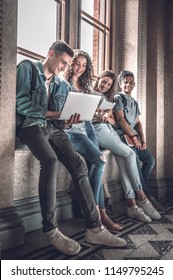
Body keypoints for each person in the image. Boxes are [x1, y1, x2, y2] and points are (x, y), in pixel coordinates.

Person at [16, 41, 126, 256]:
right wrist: (56, 115)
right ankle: (51, 229)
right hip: (30, 126)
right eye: (63, 62)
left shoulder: (60, 84)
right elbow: (20, 102)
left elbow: (59, 115)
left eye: (66, 65)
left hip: (54, 128)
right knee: (50, 161)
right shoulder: (28, 67)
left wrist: (66, 120)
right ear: (51, 54)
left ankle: (94, 228)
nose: (64, 68)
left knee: (79, 164)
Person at [61, 49, 122, 232]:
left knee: (97, 168)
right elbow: (62, 111)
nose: (80, 68)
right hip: (73, 130)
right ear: (71, 64)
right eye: (77, 63)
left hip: (88, 127)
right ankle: (95, 212)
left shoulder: (86, 86)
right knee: (99, 160)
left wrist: (99, 113)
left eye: (84, 65)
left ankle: (102, 213)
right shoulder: (63, 84)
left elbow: (90, 109)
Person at [92, 70, 161, 222]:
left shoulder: (107, 98)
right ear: (98, 79)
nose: (105, 86)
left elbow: (112, 121)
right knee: (130, 155)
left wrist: (105, 117)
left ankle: (132, 206)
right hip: (100, 132)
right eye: (103, 82)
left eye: (109, 84)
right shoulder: (91, 93)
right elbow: (116, 121)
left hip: (110, 132)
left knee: (125, 162)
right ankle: (143, 197)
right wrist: (99, 116)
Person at [113, 70, 165, 214]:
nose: (129, 85)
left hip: (135, 137)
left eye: (131, 82)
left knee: (150, 161)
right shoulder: (118, 98)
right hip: (124, 137)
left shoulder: (134, 102)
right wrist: (134, 138)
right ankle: (147, 197)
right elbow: (121, 120)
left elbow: (137, 122)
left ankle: (140, 190)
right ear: (121, 83)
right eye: (126, 82)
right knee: (135, 163)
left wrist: (142, 139)